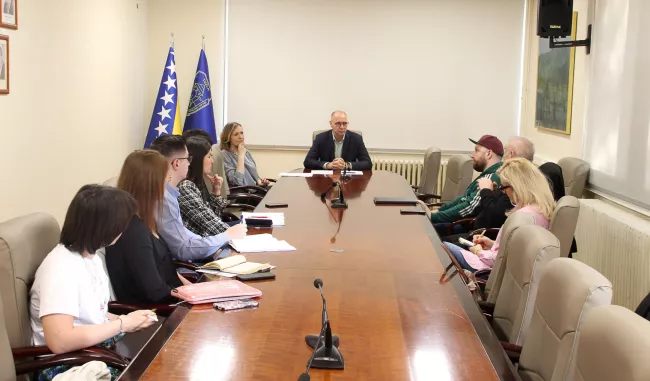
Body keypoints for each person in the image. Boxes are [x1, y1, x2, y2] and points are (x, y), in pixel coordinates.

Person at [29, 185, 156, 380]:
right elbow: (60, 340)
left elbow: (93, 313)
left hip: (94, 349)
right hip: (68, 363)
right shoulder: (60, 268)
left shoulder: (91, 256)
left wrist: (129, 319)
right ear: (105, 227)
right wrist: (122, 324)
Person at [106, 150, 192, 305]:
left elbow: (165, 270)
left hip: (175, 299)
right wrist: (192, 296)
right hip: (159, 313)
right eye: (166, 179)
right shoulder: (133, 232)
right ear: (150, 184)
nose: (167, 185)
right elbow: (156, 292)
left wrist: (196, 289)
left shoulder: (144, 219)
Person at [443, 158, 555, 273]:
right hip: (498, 264)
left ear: (516, 186)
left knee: (443, 248)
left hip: (488, 270)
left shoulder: (522, 217)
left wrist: (477, 250)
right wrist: (491, 244)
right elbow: (513, 252)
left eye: (504, 188)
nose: (503, 192)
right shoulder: (540, 209)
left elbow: (498, 260)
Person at [150, 135, 247, 262]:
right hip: (189, 263)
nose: (189, 163)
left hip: (198, 251)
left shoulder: (171, 193)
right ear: (177, 163)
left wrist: (216, 246)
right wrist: (226, 236)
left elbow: (188, 235)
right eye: (187, 159)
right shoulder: (167, 197)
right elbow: (183, 249)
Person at [418, 135, 504, 231]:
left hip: (466, 229)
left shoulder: (492, 177)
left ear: (488, 154)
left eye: (477, 151)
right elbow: (463, 199)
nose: (472, 155)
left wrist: (435, 217)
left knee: (421, 230)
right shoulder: (489, 174)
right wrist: (438, 211)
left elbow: (469, 206)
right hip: (463, 224)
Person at [178, 137, 234, 237]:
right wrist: (239, 234)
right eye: (209, 157)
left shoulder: (196, 182)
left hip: (208, 241)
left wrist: (216, 192)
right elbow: (214, 227)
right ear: (197, 159)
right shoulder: (185, 187)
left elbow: (214, 218)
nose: (212, 161)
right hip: (200, 247)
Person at [303, 110, 372, 170]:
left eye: (344, 123)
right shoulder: (320, 138)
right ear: (331, 124)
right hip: (327, 179)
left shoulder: (356, 138)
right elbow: (308, 161)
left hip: (348, 179)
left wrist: (346, 165)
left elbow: (368, 163)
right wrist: (328, 165)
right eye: (338, 123)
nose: (342, 127)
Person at [220, 122, 272, 188]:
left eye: (241, 133)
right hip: (246, 193)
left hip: (256, 189)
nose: (241, 137)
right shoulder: (224, 155)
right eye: (236, 134)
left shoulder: (246, 152)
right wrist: (241, 156)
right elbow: (237, 181)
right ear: (228, 138)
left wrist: (260, 182)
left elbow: (255, 176)